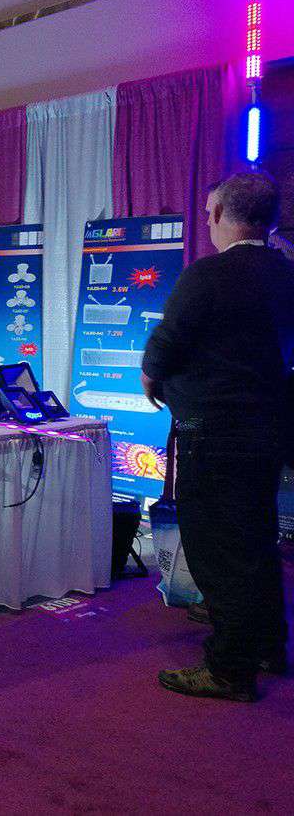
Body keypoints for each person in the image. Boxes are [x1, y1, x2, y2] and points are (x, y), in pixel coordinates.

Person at [142, 171, 294, 703]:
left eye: (210, 212)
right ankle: (267, 647)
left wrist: (151, 375)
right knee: (255, 541)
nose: (207, 221)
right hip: (269, 429)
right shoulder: (286, 273)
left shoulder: (208, 275)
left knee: (219, 550)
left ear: (222, 215)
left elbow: (168, 341)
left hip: (214, 431)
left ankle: (229, 668)